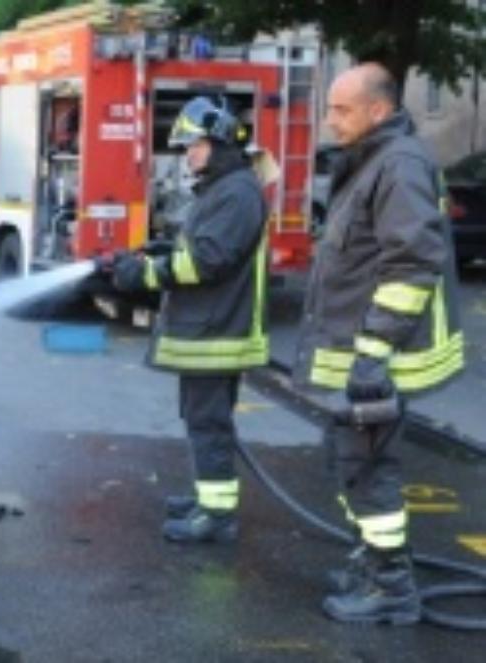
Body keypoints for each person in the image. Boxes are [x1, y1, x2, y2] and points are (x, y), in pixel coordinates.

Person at [295, 62, 464, 625]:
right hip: (361, 352)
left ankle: (392, 588)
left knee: (368, 469)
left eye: (342, 109)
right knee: (351, 463)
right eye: (330, 107)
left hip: (376, 358)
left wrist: (373, 352)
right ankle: (373, 564)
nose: (330, 120)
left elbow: (412, 263)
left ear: (379, 110)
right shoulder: (373, 160)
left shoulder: (398, 164)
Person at [108, 96, 269, 543]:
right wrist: (164, 251)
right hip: (208, 327)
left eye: (195, 146)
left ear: (220, 143)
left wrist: (144, 274)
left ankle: (216, 517)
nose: (188, 155)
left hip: (216, 330)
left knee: (208, 423)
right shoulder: (224, 188)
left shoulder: (236, 192)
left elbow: (209, 261)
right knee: (203, 419)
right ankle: (208, 497)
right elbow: (205, 248)